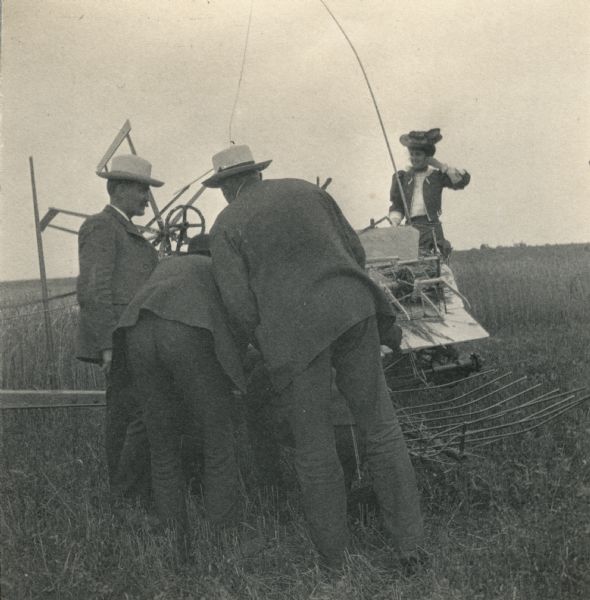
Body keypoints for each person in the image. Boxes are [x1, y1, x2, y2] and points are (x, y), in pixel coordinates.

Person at [204, 144, 424, 570]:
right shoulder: (309, 192)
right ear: (257, 174)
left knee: (313, 446)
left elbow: (238, 305)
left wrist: (263, 342)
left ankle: (335, 561)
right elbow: (355, 254)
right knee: (381, 429)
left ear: (227, 186)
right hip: (354, 309)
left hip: (294, 334)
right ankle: (411, 546)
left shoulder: (227, 223)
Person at [115, 234, 246, 555]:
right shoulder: (217, 269)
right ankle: (224, 539)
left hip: (136, 332)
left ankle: (175, 541)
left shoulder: (169, 265)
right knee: (218, 440)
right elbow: (240, 322)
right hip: (184, 331)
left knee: (162, 447)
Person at [76, 154, 163, 501]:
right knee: (131, 419)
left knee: (131, 416)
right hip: (121, 341)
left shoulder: (126, 230)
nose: (146, 197)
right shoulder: (101, 226)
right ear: (121, 189)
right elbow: (94, 290)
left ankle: (131, 494)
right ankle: (127, 499)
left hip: (133, 339)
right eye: (142, 189)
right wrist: (108, 347)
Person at [389, 128, 470, 257]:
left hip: (433, 232)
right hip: (410, 232)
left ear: (427, 157)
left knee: (436, 268)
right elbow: (397, 205)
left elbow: (461, 181)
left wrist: (440, 166)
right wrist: (394, 223)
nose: (414, 158)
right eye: (412, 154)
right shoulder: (402, 178)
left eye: (418, 154)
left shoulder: (436, 176)